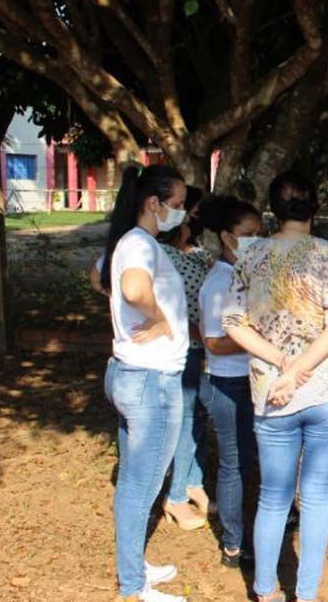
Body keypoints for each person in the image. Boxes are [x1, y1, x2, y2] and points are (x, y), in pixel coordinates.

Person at [223, 171, 328, 602]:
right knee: (317, 497)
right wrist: (298, 368)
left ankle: (264, 592)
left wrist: (282, 365)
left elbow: (232, 323)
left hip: (271, 393)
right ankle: (307, 593)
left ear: (271, 210)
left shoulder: (249, 256)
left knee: (273, 498)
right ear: (315, 208)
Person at [100, 164, 190, 602]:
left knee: (135, 482)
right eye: (176, 204)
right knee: (140, 486)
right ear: (152, 203)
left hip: (132, 375)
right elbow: (135, 289)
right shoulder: (140, 244)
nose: (182, 212)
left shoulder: (131, 243)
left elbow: (109, 283)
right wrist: (158, 317)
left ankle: (134, 568)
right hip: (150, 382)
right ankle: (132, 586)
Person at [197, 195, 262, 569]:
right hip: (229, 385)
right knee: (234, 464)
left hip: (254, 380)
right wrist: (258, 336)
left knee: (250, 461)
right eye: (246, 234)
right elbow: (215, 345)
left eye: (259, 232)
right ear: (226, 237)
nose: (255, 240)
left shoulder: (246, 273)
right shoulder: (219, 282)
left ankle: (251, 529)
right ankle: (234, 544)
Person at [156, 185, 213, 530]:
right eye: (190, 209)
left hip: (205, 347)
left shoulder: (198, 251)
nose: (194, 215)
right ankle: (175, 496)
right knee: (184, 420)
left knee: (198, 418)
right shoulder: (160, 253)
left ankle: (194, 481)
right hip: (182, 349)